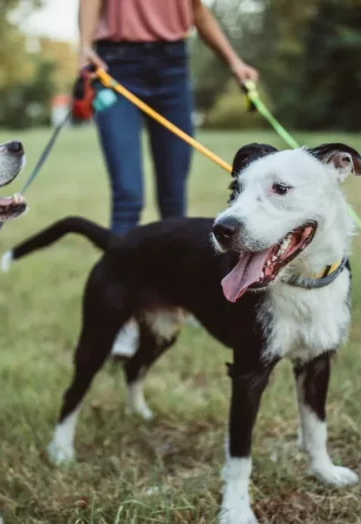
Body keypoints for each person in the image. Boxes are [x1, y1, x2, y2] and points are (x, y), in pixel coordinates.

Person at [78, 0, 259, 357]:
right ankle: (123, 316)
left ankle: (177, 298)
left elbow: (198, 12)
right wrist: (84, 46)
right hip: (114, 65)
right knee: (128, 194)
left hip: (173, 66)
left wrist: (234, 62)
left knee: (174, 197)